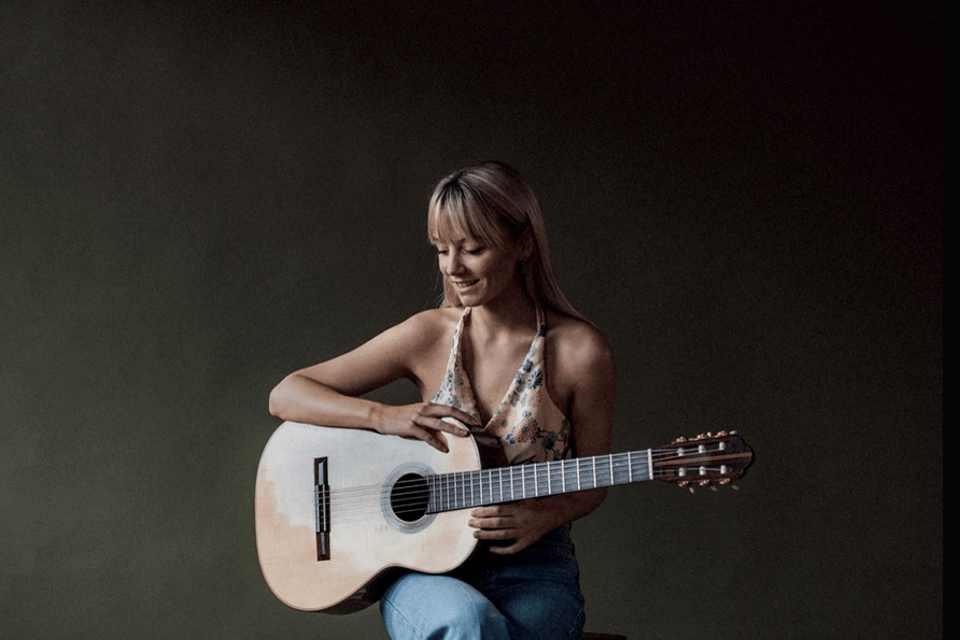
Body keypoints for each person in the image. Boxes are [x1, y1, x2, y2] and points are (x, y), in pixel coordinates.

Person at [268, 160, 615, 640]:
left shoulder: (581, 352)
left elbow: (593, 481)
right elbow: (287, 394)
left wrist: (545, 515)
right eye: (442, 250)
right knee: (465, 624)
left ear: (524, 244)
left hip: (533, 565)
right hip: (426, 570)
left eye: (473, 249)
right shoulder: (427, 336)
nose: (453, 268)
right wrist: (382, 417)